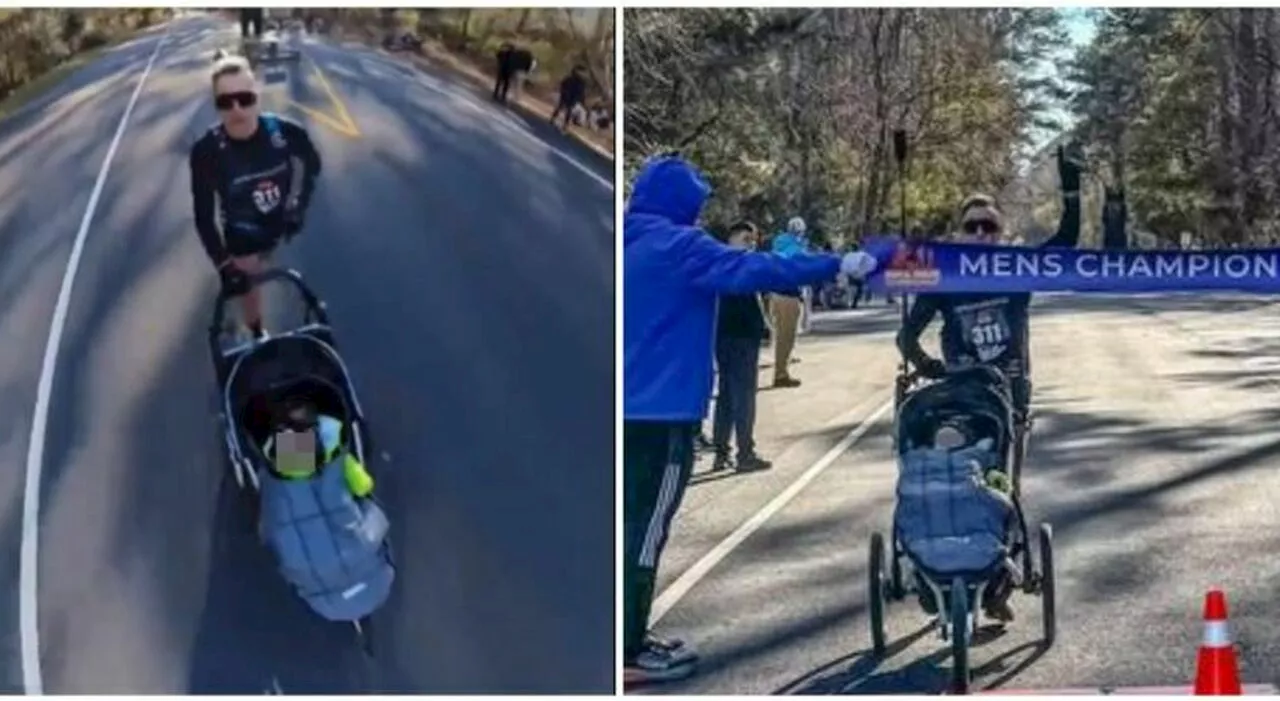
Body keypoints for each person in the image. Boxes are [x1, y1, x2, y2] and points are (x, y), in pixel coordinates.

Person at [623, 154, 876, 685]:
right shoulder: (682, 246)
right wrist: (837, 264)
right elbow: (761, 269)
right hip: (662, 413)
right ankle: (627, 646)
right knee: (644, 530)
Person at [894, 144, 1083, 622]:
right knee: (950, 479)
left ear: (1001, 233)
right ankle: (935, 569)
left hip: (1009, 393)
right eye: (972, 226)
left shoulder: (1015, 270)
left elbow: (1066, 242)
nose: (981, 233)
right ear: (961, 232)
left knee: (1000, 484)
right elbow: (908, 333)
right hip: (959, 395)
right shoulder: (947, 277)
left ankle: (993, 580)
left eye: (989, 226)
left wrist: (1072, 190)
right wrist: (929, 365)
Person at [188, 56, 322, 340]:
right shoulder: (206, 152)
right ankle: (256, 330)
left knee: (268, 264)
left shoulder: (286, 133)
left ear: (258, 95)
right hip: (242, 234)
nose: (237, 109)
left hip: (278, 223)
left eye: (245, 98)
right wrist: (224, 265)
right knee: (249, 286)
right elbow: (203, 216)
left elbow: (313, 162)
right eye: (225, 102)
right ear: (216, 104)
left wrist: (300, 204)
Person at [710, 221, 772, 473]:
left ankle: (721, 450)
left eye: (754, 240)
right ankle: (745, 452)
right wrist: (762, 328)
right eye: (746, 239)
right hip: (740, 336)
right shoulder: (737, 264)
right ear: (732, 237)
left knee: (726, 394)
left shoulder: (718, 262)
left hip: (723, 335)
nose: (751, 244)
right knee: (743, 396)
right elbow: (749, 303)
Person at [768, 216, 809, 388]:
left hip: (776, 294)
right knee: (786, 337)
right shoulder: (797, 247)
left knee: (780, 335)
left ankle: (781, 370)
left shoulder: (779, 243)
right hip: (788, 296)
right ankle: (781, 374)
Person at [551, 65, 588, 129]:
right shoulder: (570, 78)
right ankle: (553, 119)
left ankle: (565, 124)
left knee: (569, 110)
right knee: (560, 107)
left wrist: (580, 99)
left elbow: (582, 92)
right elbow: (563, 85)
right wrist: (564, 92)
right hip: (566, 94)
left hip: (573, 97)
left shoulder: (582, 82)